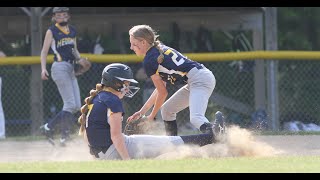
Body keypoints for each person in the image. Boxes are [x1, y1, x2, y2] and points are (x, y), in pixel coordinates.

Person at [78, 63, 220, 160]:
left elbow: (86, 134)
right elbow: (116, 136)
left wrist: (97, 157)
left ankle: (209, 138)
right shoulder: (112, 100)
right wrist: (127, 162)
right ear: (116, 83)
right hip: (114, 150)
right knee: (171, 142)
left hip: (102, 154)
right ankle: (212, 137)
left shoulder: (97, 97)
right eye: (126, 83)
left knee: (168, 142)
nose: (128, 86)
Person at [127, 24, 225, 136]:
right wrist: (142, 112)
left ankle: (218, 134)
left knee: (196, 118)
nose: (131, 47)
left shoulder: (149, 60)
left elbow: (163, 93)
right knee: (167, 110)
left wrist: (151, 116)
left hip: (199, 79)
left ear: (143, 42)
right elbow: (160, 90)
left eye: (134, 44)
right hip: (197, 79)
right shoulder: (158, 50)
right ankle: (173, 144)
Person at [40, 7, 91, 146]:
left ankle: (54, 131)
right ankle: (55, 131)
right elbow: (44, 52)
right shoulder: (52, 31)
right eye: (58, 15)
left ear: (68, 16)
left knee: (75, 106)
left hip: (70, 67)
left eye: (64, 14)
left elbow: (74, 49)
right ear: (54, 17)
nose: (61, 17)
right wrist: (43, 69)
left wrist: (80, 60)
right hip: (59, 67)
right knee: (69, 104)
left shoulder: (72, 30)